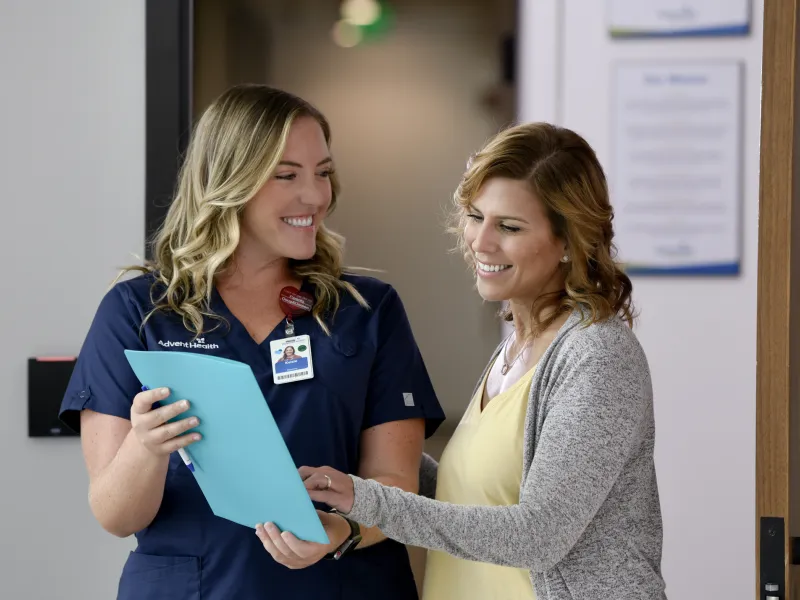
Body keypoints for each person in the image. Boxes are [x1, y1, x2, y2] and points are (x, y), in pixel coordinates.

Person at [59, 84, 445, 600]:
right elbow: (115, 514)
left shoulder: (366, 312)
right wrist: (147, 446)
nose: (315, 195)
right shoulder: (140, 311)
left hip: (343, 585)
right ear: (228, 181)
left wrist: (344, 532)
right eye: (287, 175)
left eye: (323, 172)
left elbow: (399, 486)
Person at [300, 122, 668, 599]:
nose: (481, 241)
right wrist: (366, 440)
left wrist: (366, 499)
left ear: (568, 242)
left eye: (510, 227)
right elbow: (472, 497)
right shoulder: (514, 348)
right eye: (476, 216)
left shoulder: (597, 354)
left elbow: (539, 535)